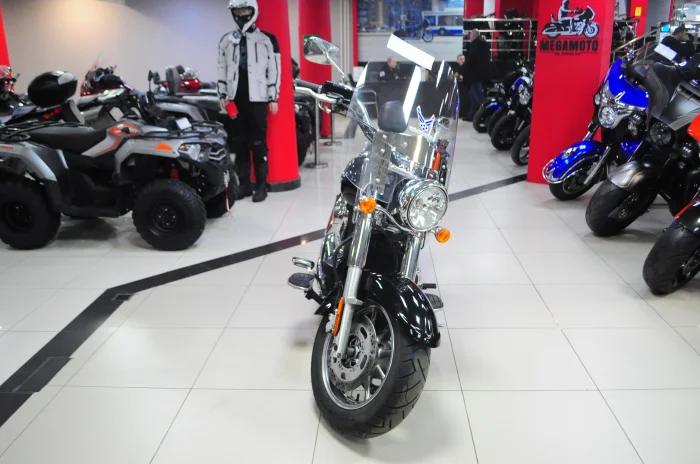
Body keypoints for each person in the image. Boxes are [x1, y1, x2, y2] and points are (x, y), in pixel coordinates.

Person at [218, 0, 281, 203]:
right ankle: (244, 185)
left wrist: (273, 96)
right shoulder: (226, 40)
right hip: (235, 99)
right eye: (238, 10)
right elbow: (222, 67)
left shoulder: (267, 39)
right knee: (240, 144)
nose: (242, 13)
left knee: (259, 144)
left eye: (245, 9)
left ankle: (261, 186)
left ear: (253, 10)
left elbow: (274, 70)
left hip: (258, 99)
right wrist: (222, 93)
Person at [460, 30, 490, 121]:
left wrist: (460, 70)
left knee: (479, 97)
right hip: (479, 74)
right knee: (473, 96)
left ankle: (489, 115)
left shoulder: (475, 45)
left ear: (473, 36)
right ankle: (472, 115)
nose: (469, 37)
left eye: (470, 36)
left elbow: (470, 60)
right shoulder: (483, 44)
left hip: (475, 75)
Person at [454, 54, 469, 121]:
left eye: (463, 59)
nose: (463, 60)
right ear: (457, 60)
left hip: (466, 87)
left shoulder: (467, 68)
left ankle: (465, 113)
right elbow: (454, 76)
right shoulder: (456, 69)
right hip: (458, 87)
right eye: (461, 59)